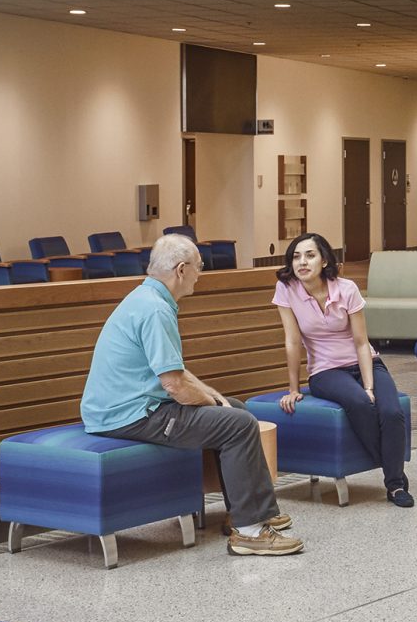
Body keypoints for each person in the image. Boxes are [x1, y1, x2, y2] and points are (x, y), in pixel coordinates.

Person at [80, 231, 298, 556]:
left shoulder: (146, 298)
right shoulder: (155, 310)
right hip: (129, 416)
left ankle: (253, 511)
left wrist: (214, 396)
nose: (200, 273)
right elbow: (175, 387)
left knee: (234, 408)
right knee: (237, 423)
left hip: (128, 408)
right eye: (198, 267)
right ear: (181, 270)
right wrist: (213, 403)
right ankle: (250, 532)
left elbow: (174, 371)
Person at [276, 231, 413, 507]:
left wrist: (369, 385)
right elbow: (292, 342)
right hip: (325, 371)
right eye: (296, 257)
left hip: (366, 363)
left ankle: (392, 475)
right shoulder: (287, 289)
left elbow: (362, 342)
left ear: (325, 260)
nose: (302, 262)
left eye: (310, 255)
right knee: (360, 404)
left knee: (391, 411)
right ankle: (396, 482)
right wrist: (293, 389)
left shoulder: (347, 288)